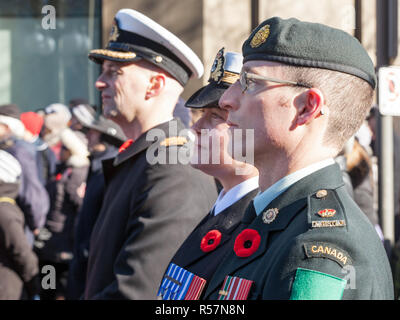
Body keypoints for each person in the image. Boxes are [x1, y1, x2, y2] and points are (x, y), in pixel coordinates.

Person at [204, 17, 393, 300]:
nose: (226, 99)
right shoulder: (276, 216)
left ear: (307, 107)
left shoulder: (320, 248)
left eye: (249, 82)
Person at [84, 9, 217, 299]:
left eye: (114, 72)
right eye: (103, 71)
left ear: (154, 85)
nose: (100, 82)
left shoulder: (173, 167)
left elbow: (139, 292)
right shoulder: (146, 160)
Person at [157, 48, 259, 300]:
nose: (196, 127)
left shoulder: (257, 219)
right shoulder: (225, 205)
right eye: (201, 114)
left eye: (215, 116)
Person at [66, 104, 126, 299]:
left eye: (93, 132)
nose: (87, 136)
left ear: (106, 138)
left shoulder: (109, 173)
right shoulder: (97, 167)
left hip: (93, 264)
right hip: (82, 260)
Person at [35, 129, 89, 300]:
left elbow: (80, 207)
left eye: (64, 148)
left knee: (60, 289)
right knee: (47, 286)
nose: (61, 151)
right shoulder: (63, 169)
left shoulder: (77, 173)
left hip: (63, 244)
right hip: (51, 242)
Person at [0, 104, 50, 245]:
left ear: (8, 127)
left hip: (14, 226)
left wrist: (36, 224)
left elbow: (32, 191)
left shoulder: (18, 152)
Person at [0, 150, 40, 299]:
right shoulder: (5, 210)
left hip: (7, 289)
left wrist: (38, 287)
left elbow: (21, 253)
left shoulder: (4, 212)